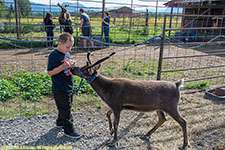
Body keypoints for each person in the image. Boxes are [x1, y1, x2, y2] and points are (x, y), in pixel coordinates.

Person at [47, 33, 80, 139]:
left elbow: (67, 67)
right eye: (67, 47)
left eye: (71, 47)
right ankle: (69, 130)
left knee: (65, 106)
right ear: (59, 44)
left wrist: (72, 65)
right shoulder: (54, 55)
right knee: (66, 109)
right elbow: (50, 72)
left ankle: (60, 122)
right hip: (60, 88)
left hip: (68, 85)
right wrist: (62, 66)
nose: (69, 49)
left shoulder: (67, 53)